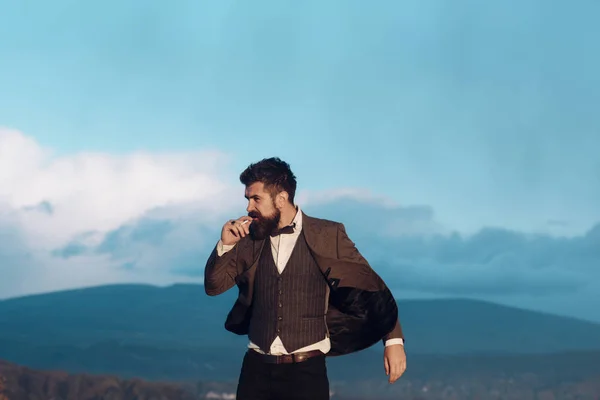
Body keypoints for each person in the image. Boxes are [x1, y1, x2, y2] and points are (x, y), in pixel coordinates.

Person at [204, 157, 406, 400]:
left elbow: (367, 283)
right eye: (247, 199)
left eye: (256, 198)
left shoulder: (328, 234)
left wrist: (393, 341)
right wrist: (225, 245)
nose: (249, 207)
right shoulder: (248, 238)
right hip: (255, 369)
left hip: (306, 371)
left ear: (281, 197)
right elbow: (214, 286)